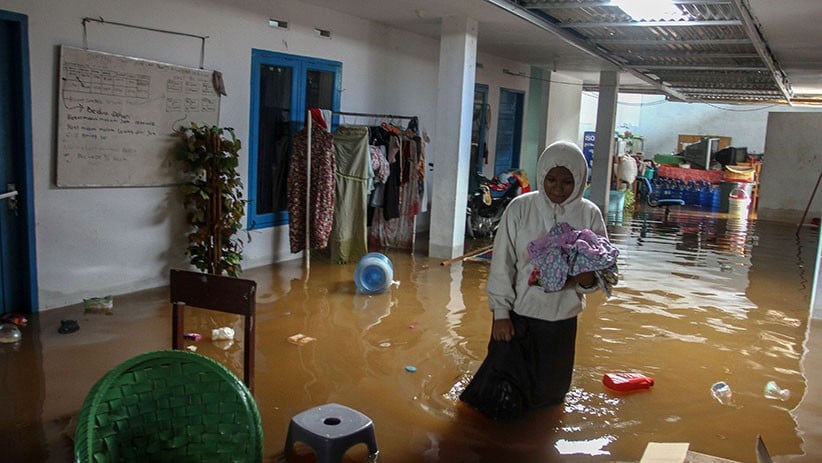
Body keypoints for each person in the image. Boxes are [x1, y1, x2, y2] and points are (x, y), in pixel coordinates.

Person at [459, 140, 612, 420]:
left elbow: (601, 271)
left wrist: (587, 280)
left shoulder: (589, 214)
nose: (558, 187)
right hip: (519, 318)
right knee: (497, 398)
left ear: (579, 181)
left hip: (561, 324)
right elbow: (503, 263)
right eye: (551, 179)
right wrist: (501, 314)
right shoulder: (520, 208)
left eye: (567, 182)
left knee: (549, 398)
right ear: (542, 176)